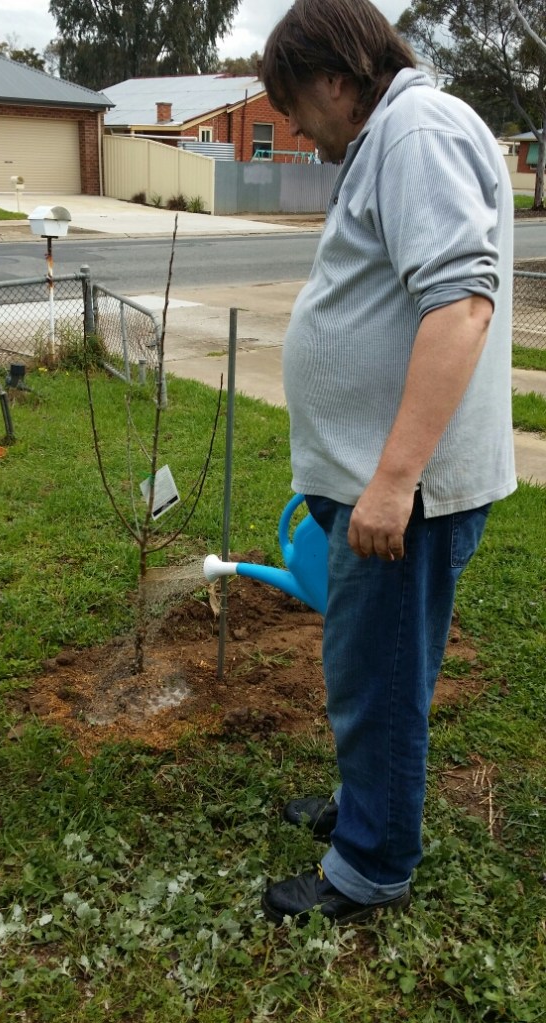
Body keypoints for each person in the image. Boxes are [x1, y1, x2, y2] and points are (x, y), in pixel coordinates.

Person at [259, 0, 517, 926]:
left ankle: (371, 865)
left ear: (337, 77)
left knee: (380, 677)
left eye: (295, 102)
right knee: (370, 666)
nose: (292, 125)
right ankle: (367, 806)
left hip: (406, 492)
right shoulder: (394, 138)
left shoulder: (415, 132)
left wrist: (395, 478)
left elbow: (460, 308)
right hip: (380, 481)